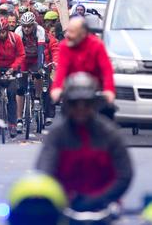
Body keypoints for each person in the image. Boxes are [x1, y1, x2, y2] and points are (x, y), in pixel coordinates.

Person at [37, 73, 133, 214]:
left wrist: (99, 199)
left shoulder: (109, 133)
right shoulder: (57, 135)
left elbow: (124, 174)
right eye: (75, 103)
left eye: (86, 103)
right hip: (65, 208)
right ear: (68, 104)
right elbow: (44, 171)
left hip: (104, 208)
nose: (80, 109)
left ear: (93, 104)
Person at [50, 17, 115, 119]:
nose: (67, 35)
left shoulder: (97, 45)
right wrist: (57, 88)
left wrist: (109, 90)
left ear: (83, 33)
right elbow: (61, 69)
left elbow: (106, 69)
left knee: (107, 115)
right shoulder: (64, 46)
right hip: (72, 89)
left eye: (72, 32)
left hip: (94, 89)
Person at [14, 11, 46, 133]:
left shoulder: (40, 31)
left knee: (38, 73)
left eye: (29, 26)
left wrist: (40, 66)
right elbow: (16, 52)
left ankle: (37, 98)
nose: (26, 29)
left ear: (33, 24)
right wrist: (16, 68)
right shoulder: (18, 31)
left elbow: (41, 51)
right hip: (23, 58)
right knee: (20, 89)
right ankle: (19, 120)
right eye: (24, 26)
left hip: (35, 57)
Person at [0, 18, 25, 137]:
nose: (1, 34)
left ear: (7, 30)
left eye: (3, 32)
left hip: (12, 68)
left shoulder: (15, 38)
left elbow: (21, 55)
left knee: (12, 94)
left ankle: (12, 125)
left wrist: (13, 68)